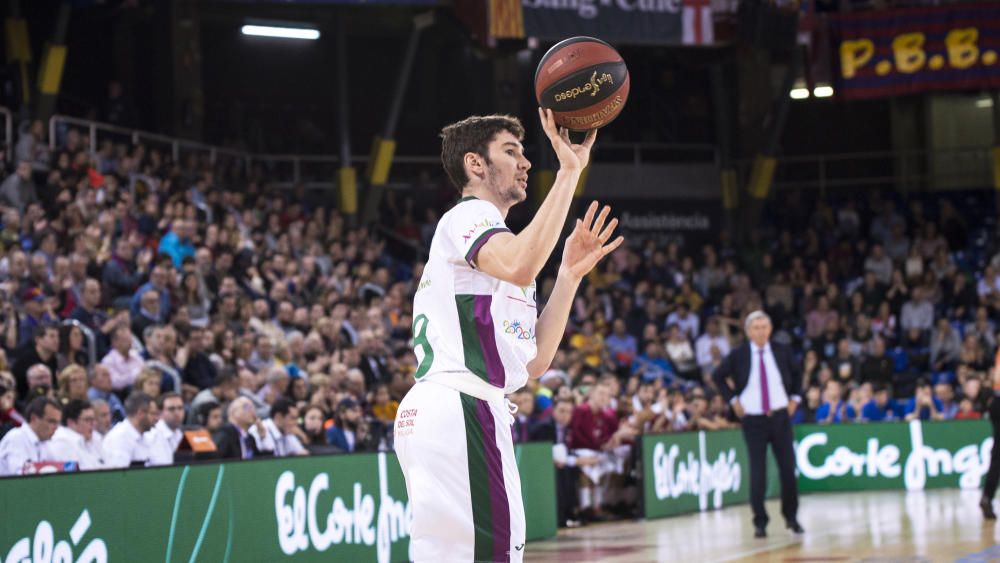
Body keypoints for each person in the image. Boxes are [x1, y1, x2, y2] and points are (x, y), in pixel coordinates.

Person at [394, 109, 620, 562]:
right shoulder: (469, 217)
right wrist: (569, 173)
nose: (526, 163)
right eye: (511, 151)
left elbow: (533, 363)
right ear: (476, 165)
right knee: (495, 553)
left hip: (454, 404)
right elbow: (520, 262)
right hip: (461, 402)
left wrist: (570, 275)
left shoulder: (499, 246)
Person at [713, 310, 804, 538]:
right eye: (756, 328)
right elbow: (717, 376)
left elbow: (798, 373)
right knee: (758, 471)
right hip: (753, 419)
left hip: (781, 417)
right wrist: (733, 400)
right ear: (748, 331)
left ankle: (791, 517)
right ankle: (760, 521)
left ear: (770, 329)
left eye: (764, 327)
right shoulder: (739, 354)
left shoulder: (782, 351)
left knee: (788, 469)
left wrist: (796, 398)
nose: (761, 331)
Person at [0, 397, 61, 476]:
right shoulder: (16, 438)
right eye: (51, 421)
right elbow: (21, 477)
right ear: (34, 418)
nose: (56, 427)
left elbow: (57, 471)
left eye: (57, 423)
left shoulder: (44, 442)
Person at [102, 392, 156, 468]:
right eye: (153, 414)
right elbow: (120, 475)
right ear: (140, 413)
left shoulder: (145, 435)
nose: (156, 418)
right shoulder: (120, 438)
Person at [212, 396, 275, 460]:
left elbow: (264, 461)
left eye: (254, 408)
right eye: (247, 407)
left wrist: (263, 436)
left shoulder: (250, 438)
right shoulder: (225, 433)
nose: (253, 412)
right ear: (234, 412)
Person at [49, 399, 104, 470]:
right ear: (71, 423)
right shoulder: (62, 442)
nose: (93, 424)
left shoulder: (95, 437)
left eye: (93, 419)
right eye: (88, 420)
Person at [146, 392, 185, 465]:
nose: (177, 413)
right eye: (171, 409)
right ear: (160, 413)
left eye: (180, 408)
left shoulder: (181, 434)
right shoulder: (151, 436)